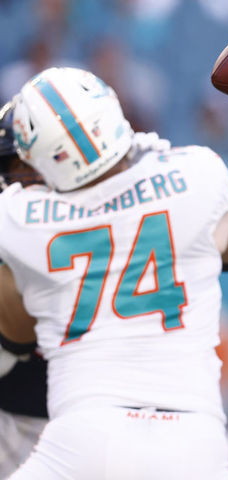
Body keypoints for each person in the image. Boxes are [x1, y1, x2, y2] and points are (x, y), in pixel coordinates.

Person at [0, 66, 228, 479]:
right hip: (195, 438)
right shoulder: (197, 174)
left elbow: (16, 332)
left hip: (87, 432)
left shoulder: (20, 218)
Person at [0, 102, 47, 480]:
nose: (34, 181)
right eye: (22, 168)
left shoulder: (118, 225)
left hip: (103, 416)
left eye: (46, 165)